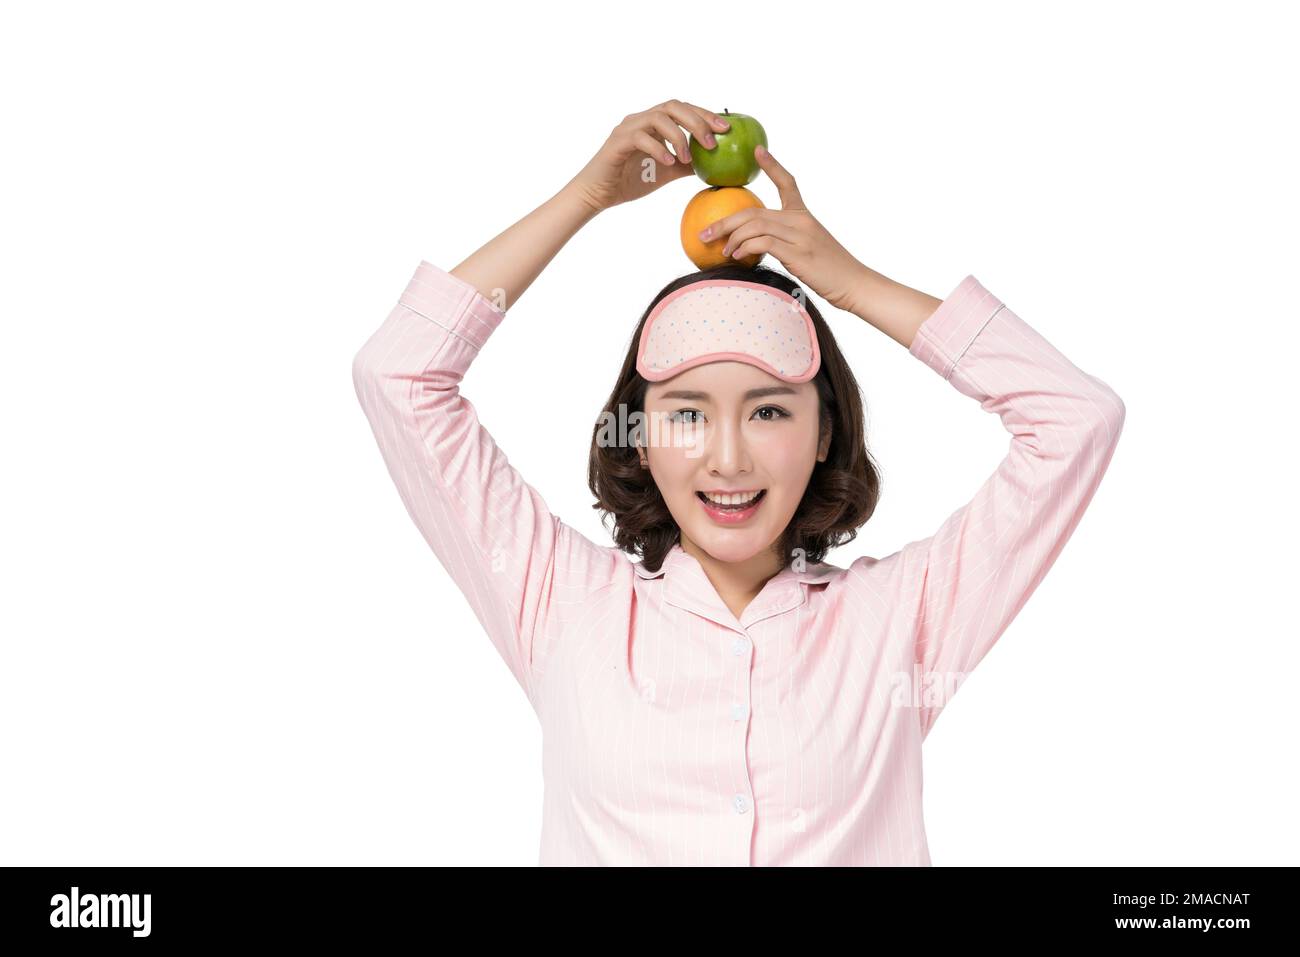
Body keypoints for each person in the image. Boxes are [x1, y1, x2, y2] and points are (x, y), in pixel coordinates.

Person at [351, 99, 1126, 866]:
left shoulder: (900, 620)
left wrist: (852, 285)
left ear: (824, 433)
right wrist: (587, 197)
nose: (728, 459)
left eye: (767, 412)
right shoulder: (561, 605)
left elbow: (1075, 419)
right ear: (641, 438)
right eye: (687, 414)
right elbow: (399, 373)